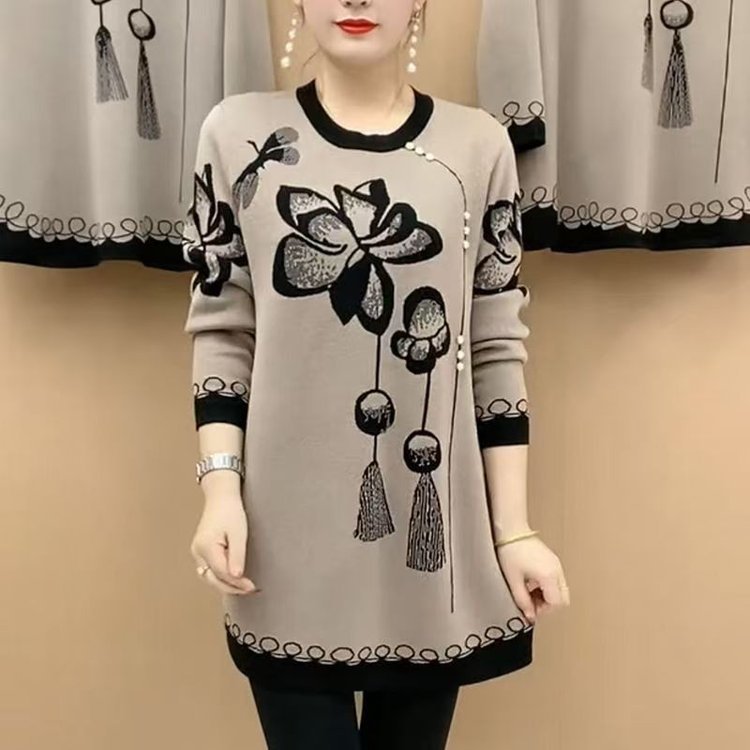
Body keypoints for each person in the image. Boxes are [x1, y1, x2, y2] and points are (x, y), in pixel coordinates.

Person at [182, 1, 570, 747]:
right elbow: (222, 325)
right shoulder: (237, 135)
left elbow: (495, 345)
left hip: (431, 546)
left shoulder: (476, 146)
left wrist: (514, 531)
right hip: (282, 547)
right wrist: (220, 491)